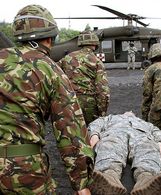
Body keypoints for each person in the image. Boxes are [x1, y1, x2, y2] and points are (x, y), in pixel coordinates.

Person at [0, 4, 94, 194]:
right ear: (50, 38)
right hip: (24, 172)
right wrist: (81, 182)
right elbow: (70, 131)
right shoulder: (50, 69)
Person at [88, 111, 161, 195]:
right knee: (108, 147)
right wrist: (94, 135)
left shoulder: (146, 123)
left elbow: (157, 131)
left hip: (142, 137)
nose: (130, 112)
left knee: (149, 149)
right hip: (115, 134)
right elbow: (97, 123)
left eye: (132, 112)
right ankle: (109, 178)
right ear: (123, 113)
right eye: (128, 111)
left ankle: (146, 180)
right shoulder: (111, 117)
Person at [58, 31, 110, 125]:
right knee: (90, 133)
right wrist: (102, 113)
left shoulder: (66, 58)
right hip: (88, 105)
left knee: (73, 133)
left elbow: (56, 77)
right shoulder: (96, 61)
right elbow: (102, 91)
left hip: (69, 102)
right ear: (95, 43)